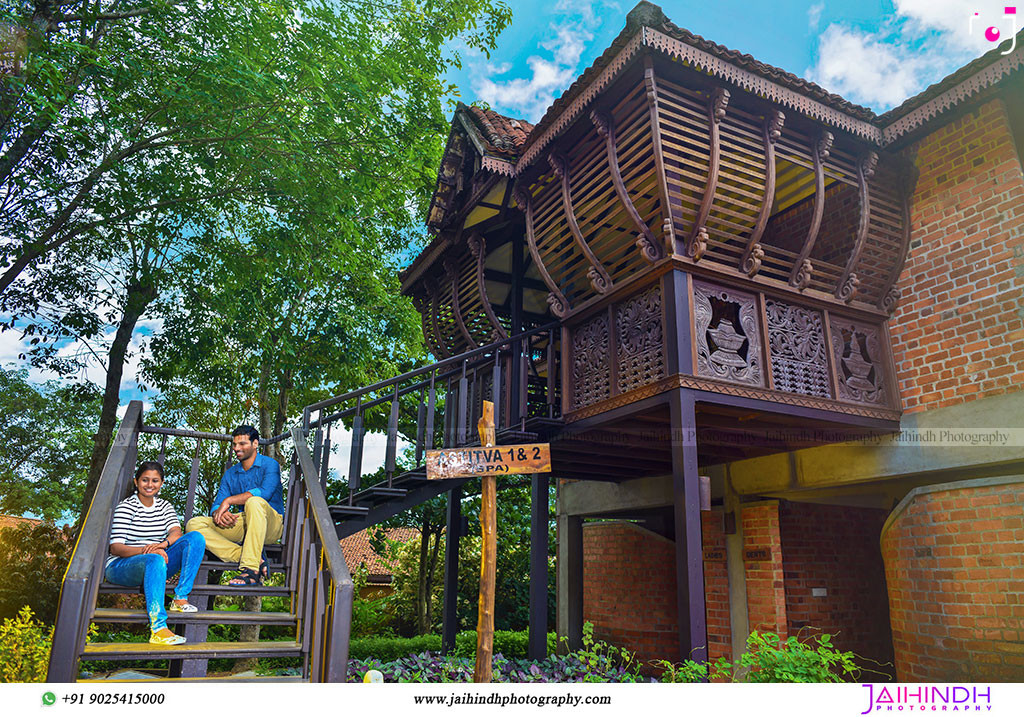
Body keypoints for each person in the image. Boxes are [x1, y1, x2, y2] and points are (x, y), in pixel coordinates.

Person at [106, 461, 205, 646]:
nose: (149, 485)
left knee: (195, 539)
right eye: (145, 480)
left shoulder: (165, 506)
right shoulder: (126, 507)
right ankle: (158, 629)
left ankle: (180, 597)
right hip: (121, 566)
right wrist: (148, 550)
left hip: (157, 563)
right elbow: (116, 547)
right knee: (155, 559)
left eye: (155, 480)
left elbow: (176, 532)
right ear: (136, 482)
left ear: (161, 483)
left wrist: (162, 545)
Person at [186, 425, 284, 586]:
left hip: (271, 525)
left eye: (242, 444)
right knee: (194, 524)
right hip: (243, 523)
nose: (236, 448)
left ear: (255, 444)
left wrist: (229, 501)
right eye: (234, 444)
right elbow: (218, 504)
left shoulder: (270, 465)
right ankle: (252, 557)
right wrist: (219, 513)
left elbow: (265, 492)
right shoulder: (231, 473)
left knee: (254, 501)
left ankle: (251, 569)